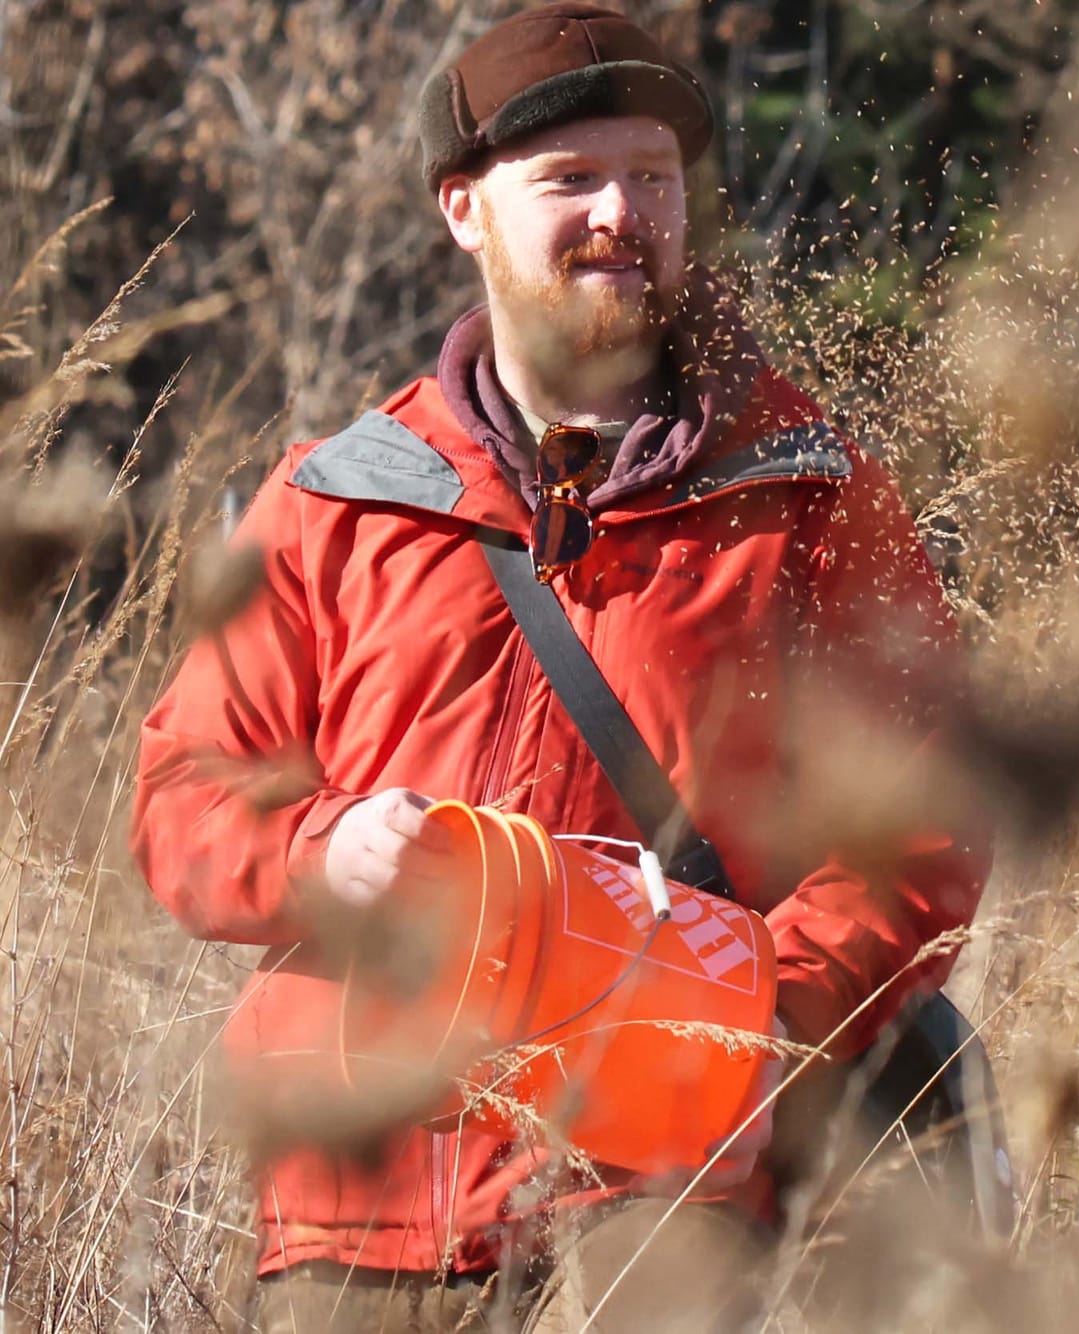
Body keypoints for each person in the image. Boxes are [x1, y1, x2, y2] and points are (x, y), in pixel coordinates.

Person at [128, 3, 989, 1327]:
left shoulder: (808, 493)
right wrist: (320, 849)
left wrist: (764, 1028)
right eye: (571, 179)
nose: (621, 214)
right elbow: (184, 796)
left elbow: (927, 815)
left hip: (662, 1206)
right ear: (464, 210)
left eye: (651, 178)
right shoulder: (334, 499)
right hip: (364, 1206)